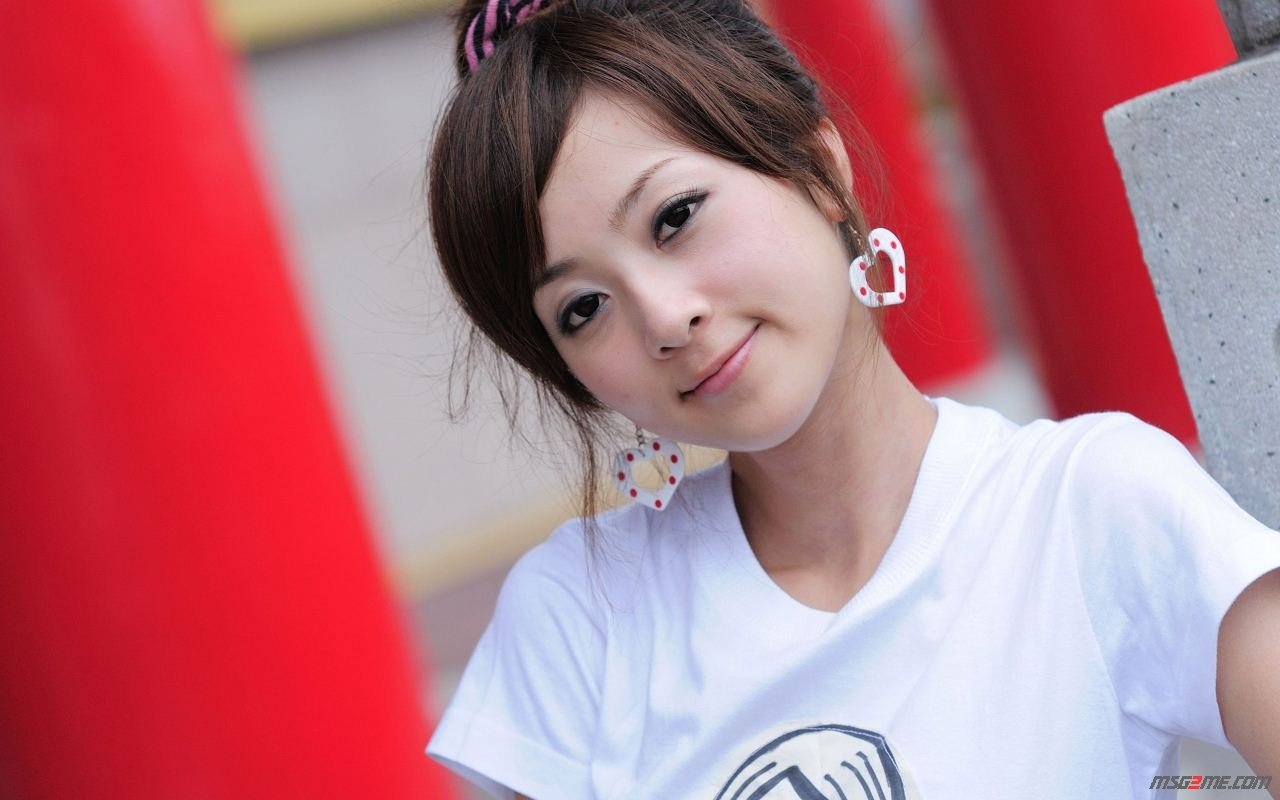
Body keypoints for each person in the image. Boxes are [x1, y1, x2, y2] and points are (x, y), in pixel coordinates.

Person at [422, 1, 1280, 797]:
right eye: (582, 308)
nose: (664, 317)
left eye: (675, 217)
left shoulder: (1090, 509)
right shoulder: (582, 619)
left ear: (819, 170)